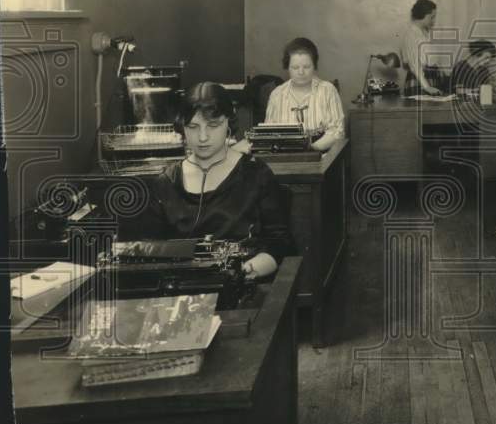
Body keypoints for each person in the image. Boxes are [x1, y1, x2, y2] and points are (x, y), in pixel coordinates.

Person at [121, 83, 294, 279]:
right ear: (182, 128)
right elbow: (150, 248)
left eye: (213, 125)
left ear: (229, 122)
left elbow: (279, 243)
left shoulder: (256, 175)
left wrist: (242, 272)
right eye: (193, 127)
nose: (202, 137)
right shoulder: (166, 183)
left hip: (244, 285)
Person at [264, 37, 345, 151]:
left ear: (314, 66)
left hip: (321, 156)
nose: (301, 72)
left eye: (306, 67)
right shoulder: (277, 95)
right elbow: (268, 134)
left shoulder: (328, 91)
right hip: (284, 157)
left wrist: (312, 149)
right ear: (287, 67)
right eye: (295, 67)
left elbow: (337, 131)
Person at [401, 0, 442, 96]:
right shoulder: (411, 34)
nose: (433, 21)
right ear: (424, 15)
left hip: (429, 78)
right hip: (419, 80)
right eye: (432, 17)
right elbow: (414, 64)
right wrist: (427, 87)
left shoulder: (423, 33)